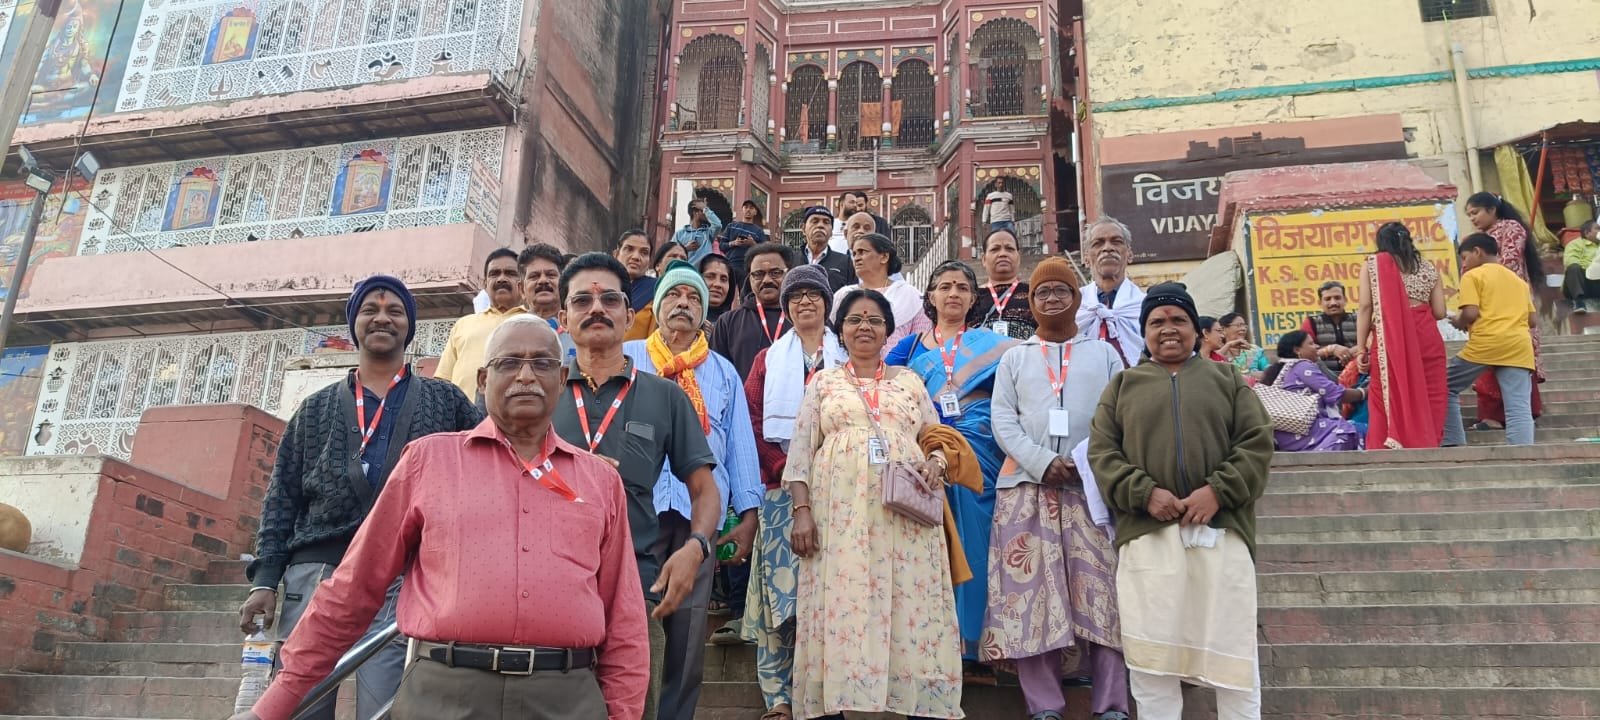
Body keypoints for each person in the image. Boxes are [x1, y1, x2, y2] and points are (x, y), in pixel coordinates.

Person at [237, 316, 648, 720]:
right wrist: (273, 705)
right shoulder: (427, 460)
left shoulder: (600, 480)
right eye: (509, 363)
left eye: (541, 363)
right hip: (442, 696)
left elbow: (625, 619)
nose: (526, 375)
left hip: (567, 698)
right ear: (483, 380)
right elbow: (353, 588)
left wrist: (623, 713)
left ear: (561, 378)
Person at [239, 276, 481, 720]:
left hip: (399, 576)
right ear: (354, 324)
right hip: (317, 573)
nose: (382, 318)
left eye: (395, 310)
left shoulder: (446, 401)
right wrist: (265, 580)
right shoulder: (314, 409)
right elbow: (282, 500)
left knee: (387, 706)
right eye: (370, 309)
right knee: (302, 703)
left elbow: (488, 458)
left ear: (410, 326)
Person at [1089, 282, 1274, 720]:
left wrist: (1217, 492)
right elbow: (1102, 453)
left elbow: (1256, 441)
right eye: (1156, 322)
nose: (1168, 329)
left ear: (1195, 328)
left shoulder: (1226, 378)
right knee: (1154, 665)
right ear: (1144, 331)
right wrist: (1144, 493)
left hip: (1221, 534)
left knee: (1235, 660)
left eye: (1178, 320)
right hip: (1148, 539)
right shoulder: (1122, 387)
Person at [552, 252, 721, 720]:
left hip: (636, 585)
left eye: (610, 298)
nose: (597, 308)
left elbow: (704, 489)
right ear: (563, 318)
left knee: (634, 708)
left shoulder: (663, 394)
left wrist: (696, 548)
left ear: (630, 314)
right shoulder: (541, 389)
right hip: (549, 581)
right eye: (582, 300)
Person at [786, 288, 967, 720]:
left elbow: (936, 436)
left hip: (907, 522)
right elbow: (798, 455)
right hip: (841, 525)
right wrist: (802, 512)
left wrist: (938, 462)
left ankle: (901, 706)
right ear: (841, 330)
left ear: (888, 330)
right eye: (854, 319)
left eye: (874, 319)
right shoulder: (824, 383)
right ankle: (855, 708)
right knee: (849, 609)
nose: (864, 326)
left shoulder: (909, 380)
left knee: (908, 610)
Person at [983, 257, 1129, 720]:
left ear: (1077, 298)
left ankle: (1111, 706)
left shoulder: (1103, 354)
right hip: (1026, 487)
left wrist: (1081, 462)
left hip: (1091, 491)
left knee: (1102, 594)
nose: (1051, 299)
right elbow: (1002, 420)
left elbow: (1116, 417)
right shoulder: (1015, 356)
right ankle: (1043, 706)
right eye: (1042, 293)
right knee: (1030, 597)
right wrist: (1044, 461)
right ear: (1031, 302)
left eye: (1060, 291)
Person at [623, 260, 764, 720]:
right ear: (657, 306)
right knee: (627, 622)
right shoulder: (629, 358)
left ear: (704, 313)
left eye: (693, 299)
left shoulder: (722, 371)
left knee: (686, 637)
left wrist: (748, 516)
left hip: (697, 512)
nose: (682, 304)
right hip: (632, 510)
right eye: (673, 296)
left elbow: (740, 444)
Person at [885, 259, 1018, 663]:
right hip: (924, 445)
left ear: (973, 298)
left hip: (980, 445)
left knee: (977, 539)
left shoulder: (996, 345)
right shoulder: (909, 349)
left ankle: (974, 643)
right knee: (930, 541)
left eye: (962, 287)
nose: (953, 293)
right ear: (930, 296)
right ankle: (932, 638)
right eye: (945, 286)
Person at [740, 265, 848, 720]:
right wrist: (791, 469)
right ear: (785, 307)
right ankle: (779, 698)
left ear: (826, 304)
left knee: (831, 596)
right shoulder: (769, 360)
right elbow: (752, 423)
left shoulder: (849, 360)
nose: (805, 302)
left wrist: (824, 469)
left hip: (840, 492)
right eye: (796, 296)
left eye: (814, 294)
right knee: (780, 602)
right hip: (782, 490)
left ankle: (825, 693)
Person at [1353, 221, 1448, 450]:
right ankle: (1426, 444)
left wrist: (1360, 348)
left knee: (1384, 394)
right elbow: (1440, 312)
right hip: (1426, 336)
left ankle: (1386, 446)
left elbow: (1366, 308)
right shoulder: (1428, 268)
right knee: (1430, 393)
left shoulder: (1373, 265)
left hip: (1391, 338)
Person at [1443, 234, 1538, 447]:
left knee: (1444, 387)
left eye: (1465, 258)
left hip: (1486, 343)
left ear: (1477, 251)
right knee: (1518, 406)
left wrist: (1459, 322)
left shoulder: (1473, 276)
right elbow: (1532, 319)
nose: (1464, 264)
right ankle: (1522, 455)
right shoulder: (1518, 281)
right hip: (1519, 345)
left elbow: (1470, 312)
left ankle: (1453, 442)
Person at [1464, 191, 1546, 429]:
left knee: (1507, 359)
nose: (1473, 218)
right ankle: (1509, 416)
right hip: (1488, 304)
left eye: (1476, 212)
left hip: (1508, 304)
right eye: (1469, 215)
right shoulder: (1480, 237)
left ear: (1492, 209)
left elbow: (1508, 263)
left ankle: (1501, 417)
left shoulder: (1511, 228)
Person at [436, 248, 526, 399]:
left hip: (514, 417)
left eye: (510, 273)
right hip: (462, 419)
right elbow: (442, 380)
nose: (501, 279)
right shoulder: (463, 324)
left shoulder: (534, 324)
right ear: (485, 284)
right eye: (494, 274)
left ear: (522, 283)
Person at [1260, 330, 1365, 452]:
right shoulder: (1302, 366)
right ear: (1297, 350)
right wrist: (1365, 392)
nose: (1316, 346)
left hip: (1282, 435)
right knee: (1351, 430)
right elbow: (1336, 394)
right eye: (1311, 343)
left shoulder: (1278, 370)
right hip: (1303, 431)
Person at [833, 232, 930, 357]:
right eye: (854, 253)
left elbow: (921, 341)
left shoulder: (909, 295)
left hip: (898, 370)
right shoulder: (843, 295)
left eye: (863, 252)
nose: (856, 258)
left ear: (884, 257)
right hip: (848, 370)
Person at [712, 242, 795, 379]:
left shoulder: (803, 318)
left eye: (775, 273)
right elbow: (716, 375)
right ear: (749, 278)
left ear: (789, 274)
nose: (767, 280)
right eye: (758, 274)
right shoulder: (728, 322)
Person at [1075, 218, 1146, 368]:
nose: (1108, 248)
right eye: (1098, 243)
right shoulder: (1075, 305)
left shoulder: (1145, 305)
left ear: (1130, 255)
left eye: (1116, 241)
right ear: (1086, 258)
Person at [973, 228, 1036, 339]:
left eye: (1009, 249)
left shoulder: (1034, 294)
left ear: (1018, 257)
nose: (1002, 254)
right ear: (983, 259)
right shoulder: (971, 298)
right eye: (995, 249)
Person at [627, 242, 692, 342]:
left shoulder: (689, 300)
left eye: (683, 259)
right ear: (657, 266)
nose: (678, 261)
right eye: (673, 256)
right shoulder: (644, 287)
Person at [1298, 280, 1358, 374]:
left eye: (1337, 298)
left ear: (1345, 300)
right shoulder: (1311, 322)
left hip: (1359, 372)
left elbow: (1372, 344)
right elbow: (1303, 355)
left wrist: (1350, 352)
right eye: (1328, 299)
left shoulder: (1358, 320)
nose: (1333, 302)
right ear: (1320, 303)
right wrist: (1330, 349)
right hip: (1323, 375)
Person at [800, 206, 857, 293]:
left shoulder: (846, 262)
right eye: (814, 221)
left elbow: (852, 296)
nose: (820, 225)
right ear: (803, 228)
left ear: (831, 232)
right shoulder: (790, 259)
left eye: (826, 222)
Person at [722, 199, 770, 289]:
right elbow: (722, 246)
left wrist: (753, 244)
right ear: (742, 209)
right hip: (730, 265)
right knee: (727, 293)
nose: (748, 210)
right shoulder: (731, 226)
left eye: (751, 208)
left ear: (755, 212)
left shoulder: (758, 231)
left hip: (747, 268)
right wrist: (734, 243)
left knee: (745, 295)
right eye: (746, 207)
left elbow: (764, 252)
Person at [616, 229, 658, 312]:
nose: (635, 257)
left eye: (644, 252)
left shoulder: (657, 288)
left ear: (649, 261)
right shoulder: (600, 285)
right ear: (616, 254)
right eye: (629, 249)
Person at [1217, 312, 1269, 378]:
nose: (1243, 329)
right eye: (1239, 325)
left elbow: (1267, 368)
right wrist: (1229, 345)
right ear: (1224, 329)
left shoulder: (1254, 349)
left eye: (1244, 326)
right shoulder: (1218, 350)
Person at [673, 198, 723, 265]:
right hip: (687, 271)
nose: (706, 214)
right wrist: (685, 248)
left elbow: (718, 225)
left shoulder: (708, 233)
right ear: (695, 212)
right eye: (703, 210)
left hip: (704, 273)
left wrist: (705, 208)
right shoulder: (679, 234)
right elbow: (671, 252)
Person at [1565, 221, 1600, 313]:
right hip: (1581, 282)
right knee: (1573, 267)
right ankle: (1579, 303)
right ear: (1587, 233)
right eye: (1597, 228)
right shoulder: (1575, 244)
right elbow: (1570, 260)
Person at [700, 254, 736, 324]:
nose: (718, 284)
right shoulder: (683, 320)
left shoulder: (736, 325)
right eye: (710, 277)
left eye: (723, 279)